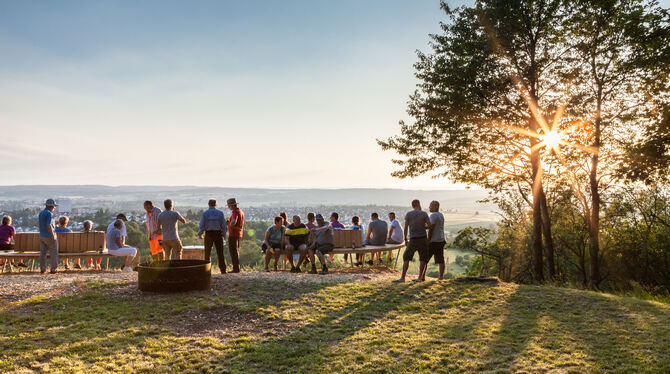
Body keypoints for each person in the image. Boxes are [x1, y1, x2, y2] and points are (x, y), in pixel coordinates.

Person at [394, 199, 430, 283]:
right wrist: (423, 227)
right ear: (419, 204)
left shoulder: (409, 214)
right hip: (423, 238)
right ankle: (420, 278)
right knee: (422, 258)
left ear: (413, 205)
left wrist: (405, 239)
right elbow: (430, 225)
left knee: (406, 257)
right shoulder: (424, 214)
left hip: (413, 239)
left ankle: (402, 278)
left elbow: (406, 227)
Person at [198, 199, 228, 274]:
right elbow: (223, 225)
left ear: (208, 204)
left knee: (207, 253)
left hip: (208, 234)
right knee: (220, 253)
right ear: (216, 204)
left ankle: (207, 271)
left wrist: (200, 234)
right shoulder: (220, 213)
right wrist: (224, 235)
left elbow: (202, 225)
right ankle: (223, 270)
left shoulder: (205, 213)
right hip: (218, 234)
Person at [427, 200, 447, 280]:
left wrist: (428, 240)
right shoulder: (440, 215)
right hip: (441, 240)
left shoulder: (433, 215)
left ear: (435, 207)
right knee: (440, 259)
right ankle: (441, 277)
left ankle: (421, 276)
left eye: (431, 206)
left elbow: (431, 229)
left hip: (433, 241)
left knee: (425, 259)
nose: (429, 207)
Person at [38, 198, 58, 274]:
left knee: (43, 253)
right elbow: (48, 224)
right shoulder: (49, 213)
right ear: (51, 206)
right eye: (54, 206)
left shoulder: (41, 213)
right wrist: (53, 235)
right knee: (53, 253)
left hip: (42, 235)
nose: (55, 208)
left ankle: (42, 269)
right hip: (49, 236)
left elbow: (43, 224)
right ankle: (53, 269)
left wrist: (55, 224)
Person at [226, 198, 244, 273]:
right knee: (236, 250)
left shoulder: (235, 212)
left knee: (233, 251)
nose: (228, 207)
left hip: (233, 234)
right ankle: (237, 267)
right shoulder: (240, 211)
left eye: (229, 205)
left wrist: (230, 225)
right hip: (238, 233)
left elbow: (234, 221)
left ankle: (236, 268)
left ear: (232, 205)